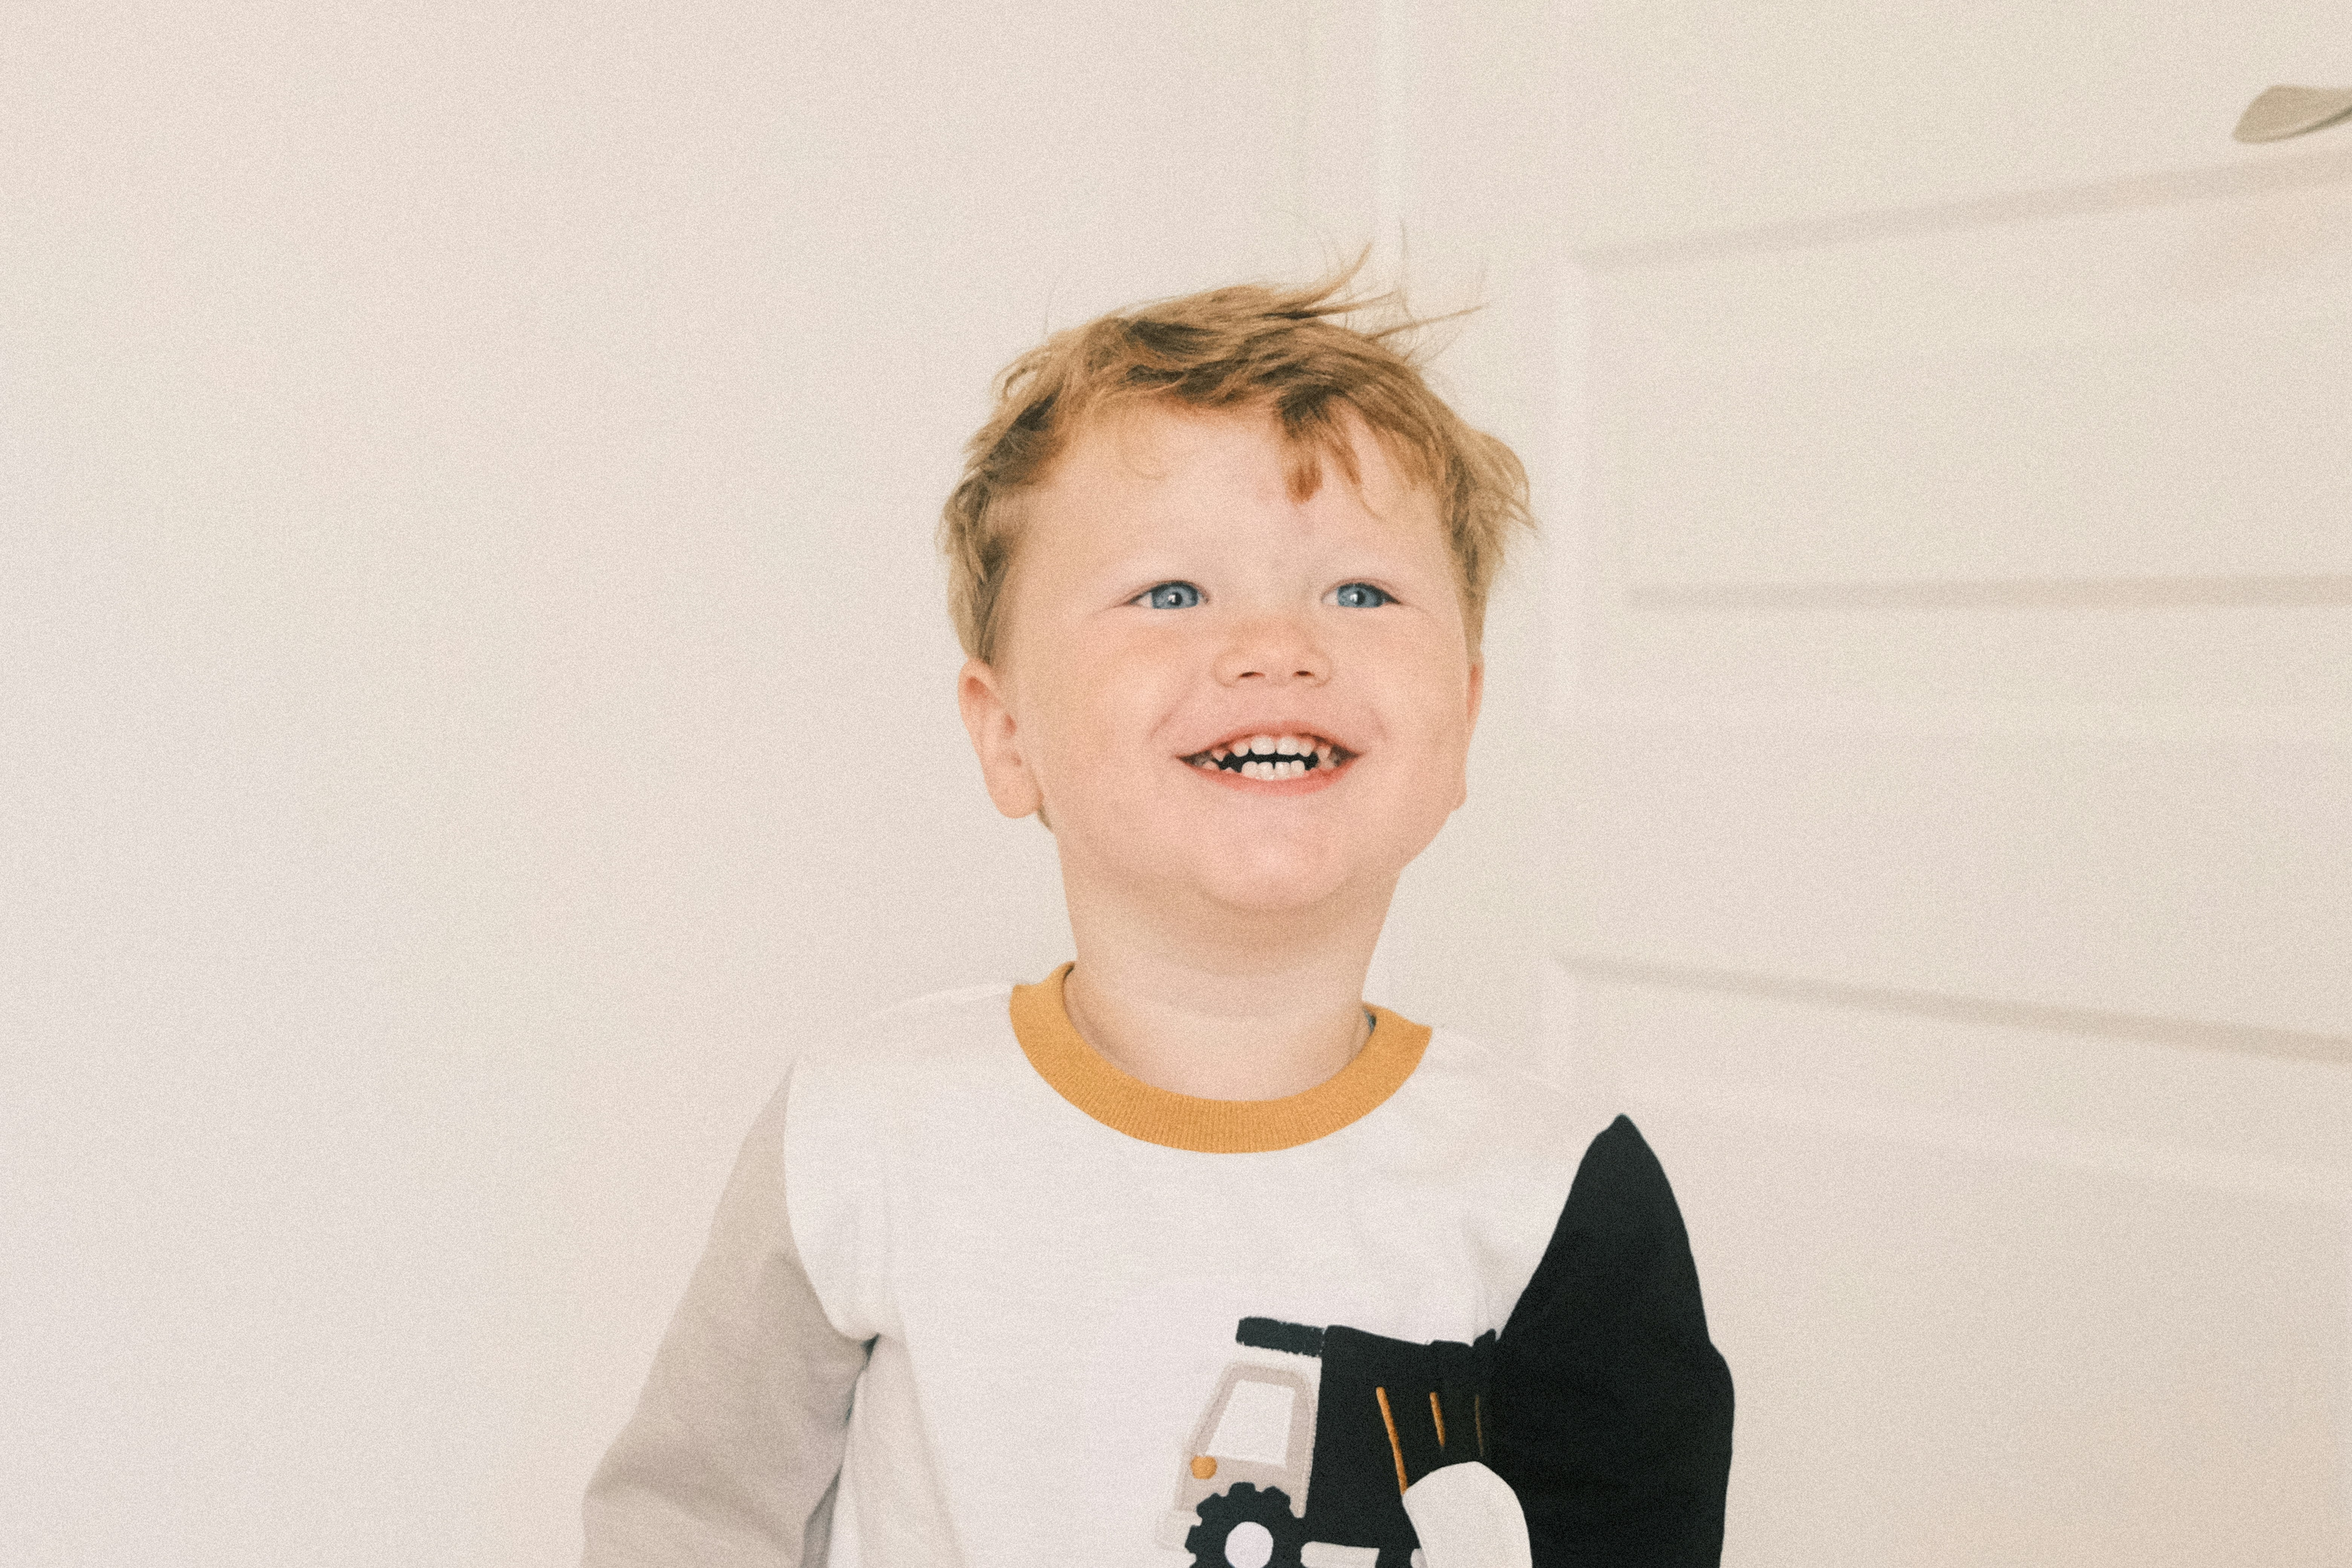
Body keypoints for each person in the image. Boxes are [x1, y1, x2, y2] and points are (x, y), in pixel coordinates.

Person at [580, 264, 1733, 1568]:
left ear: (1462, 725)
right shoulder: (859, 1137)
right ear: (1008, 734)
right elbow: (690, 1529)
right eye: (1172, 594)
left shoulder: (1557, 1194)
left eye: (1360, 592)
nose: (1273, 646)